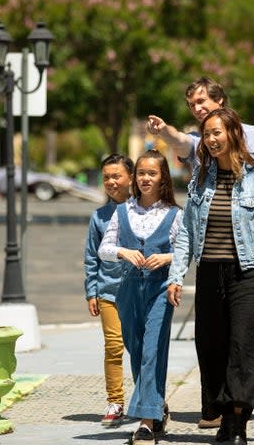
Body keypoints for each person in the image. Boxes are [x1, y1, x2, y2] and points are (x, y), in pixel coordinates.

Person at [147, 77, 254, 425]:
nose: (197, 109)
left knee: (250, 334)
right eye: (192, 105)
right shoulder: (199, 157)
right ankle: (218, 409)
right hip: (213, 264)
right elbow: (187, 228)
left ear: (221, 101)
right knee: (212, 340)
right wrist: (164, 130)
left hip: (250, 261)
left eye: (201, 101)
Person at [98, 149, 183, 445]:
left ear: (163, 179)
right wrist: (122, 251)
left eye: (152, 173)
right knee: (136, 351)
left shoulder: (174, 214)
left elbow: (187, 252)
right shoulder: (123, 211)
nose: (145, 178)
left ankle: (145, 424)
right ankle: (157, 408)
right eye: (141, 173)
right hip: (129, 289)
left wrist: (168, 258)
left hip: (161, 288)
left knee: (152, 351)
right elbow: (104, 250)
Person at [83, 153, 134, 427]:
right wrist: (92, 291)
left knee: (140, 348)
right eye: (107, 178)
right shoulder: (99, 216)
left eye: (117, 176)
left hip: (139, 292)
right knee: (114, 347)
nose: (112, 182)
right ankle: (115, 402)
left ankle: (149, 399)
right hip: (108, 293)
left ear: (131, 177)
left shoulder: (143, 211)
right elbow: (92, 256)